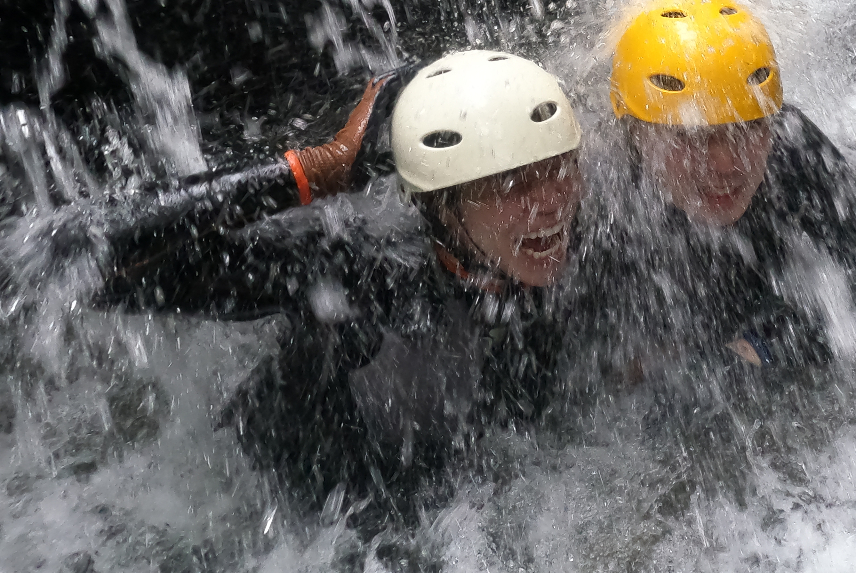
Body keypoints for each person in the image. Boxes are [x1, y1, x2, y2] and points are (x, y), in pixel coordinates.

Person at [96, 50, 584, 511]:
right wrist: (318, 170)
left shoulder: (586, 233)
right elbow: (95, 265)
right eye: (511, 183)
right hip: (317, 528)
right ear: (440, 202)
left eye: (558, 167)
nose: (550, 203)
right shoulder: (362, 278)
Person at [582, 0, 856, 385]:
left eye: (748, 129)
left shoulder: (790, 143)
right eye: (691, 137)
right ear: (635, 133)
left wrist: (766, 346)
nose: (727, 164)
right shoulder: (599, 204)